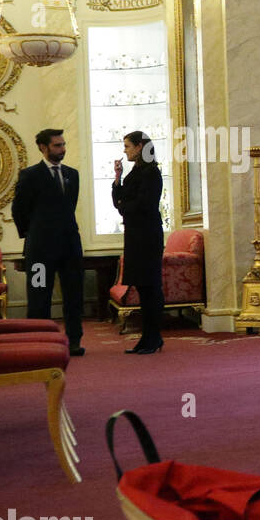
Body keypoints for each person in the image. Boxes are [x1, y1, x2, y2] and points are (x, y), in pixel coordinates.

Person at [12, 128, 85, 355]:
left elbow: (68, 208)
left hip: (70, 247)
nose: (62, 149)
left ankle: (74, 341)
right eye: (57, 145)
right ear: (43, 148)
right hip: (40, 249)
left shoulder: (72, 174)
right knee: (39, 293)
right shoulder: (30, 175)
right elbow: (19, 210)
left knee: (74, 294)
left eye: (63, 145)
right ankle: (39, 343)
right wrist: (34, 233)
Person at [112, 131, 165, 354]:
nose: (125, 150)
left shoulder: (151, 172)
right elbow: (119, 201)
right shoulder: (136, 172)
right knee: (143, 288)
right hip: (135, 235)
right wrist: (118, 177)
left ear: (139, 146)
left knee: (150, 286)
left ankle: (153, 337)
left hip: (147, 236)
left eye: (127, 146)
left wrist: (125, 205)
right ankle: (150, 337)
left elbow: (144, 204)